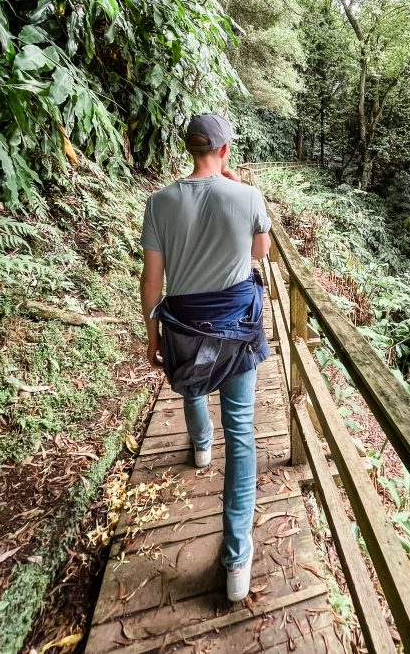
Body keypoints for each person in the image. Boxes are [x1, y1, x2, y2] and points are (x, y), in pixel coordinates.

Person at [139, 112, 271, 602]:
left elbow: (152, 280)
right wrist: (241, 190)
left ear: (189, 150)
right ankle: (237, 561)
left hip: (184, 327)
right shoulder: (248, 195)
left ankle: (199, 446)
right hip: (237, 331)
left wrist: (152, 332)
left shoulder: (159, 202)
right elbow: (261, 253)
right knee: (242, 431)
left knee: (192, 379)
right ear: (225, 150)